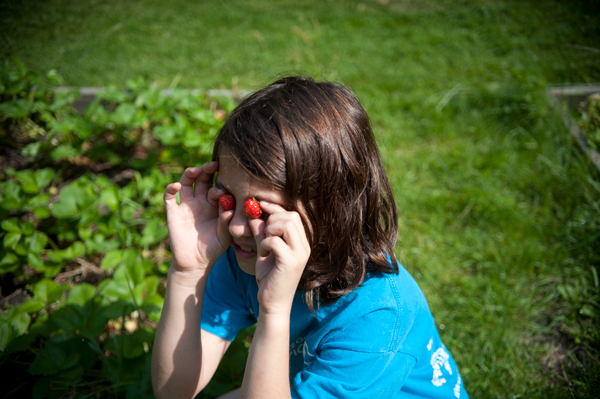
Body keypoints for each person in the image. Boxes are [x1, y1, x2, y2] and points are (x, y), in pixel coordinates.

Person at [151, 76, 469, 399]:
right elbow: (173, 391)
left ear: (333, 209)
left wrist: (274, 311)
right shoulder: (247, 254)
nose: (235, 227)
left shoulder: (378, 310)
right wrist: (187, 272)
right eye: (228, 199)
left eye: (261, 210)